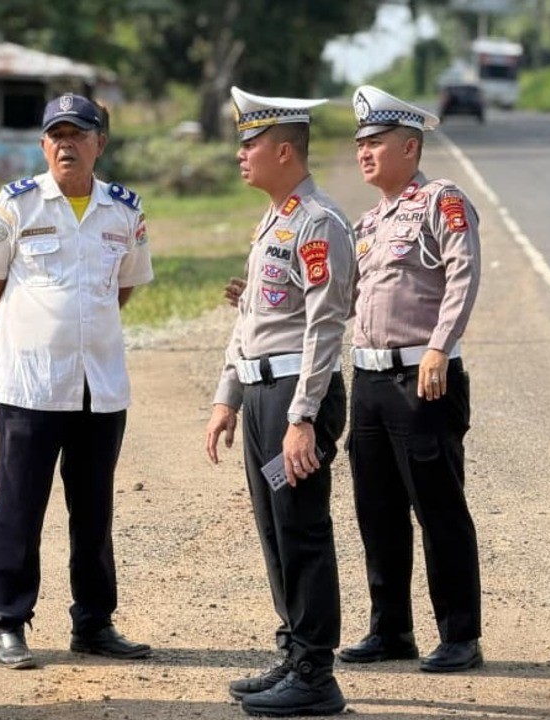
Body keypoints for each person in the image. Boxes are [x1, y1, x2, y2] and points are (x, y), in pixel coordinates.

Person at [0, 93, 154, 670]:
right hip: (31, 387)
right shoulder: (14, 206)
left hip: (99, 385)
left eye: (79, 134)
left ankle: (94, 623)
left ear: (100, 143)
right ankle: (8, 622)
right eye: (56, 135)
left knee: (93, 510)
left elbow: (122, 288)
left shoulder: (124, 210)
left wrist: (77, 331)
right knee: (19, 507)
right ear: (43, 144)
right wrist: (35, 333)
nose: (66, 144)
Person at [204, 87, 355, 717]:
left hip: (298, 400)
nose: (241, 155)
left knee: (301, 529)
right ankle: (294, 652)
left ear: (284, 149)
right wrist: (227, 398)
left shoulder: (319, 222)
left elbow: (324, 328)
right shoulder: (276, 220)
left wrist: (302, 420)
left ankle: (317, 673)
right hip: (264, 395)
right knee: (275, 529)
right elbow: (253, 320)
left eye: (251, 143)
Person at [335, 85, 484, 673]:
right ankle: (390, 630)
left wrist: (440, 349)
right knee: (377, 509)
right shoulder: (367, 223)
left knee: (439, 508)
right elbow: (345, 300)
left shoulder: (442, 202)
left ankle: (460, 636)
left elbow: (463, 273)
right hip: (369, 381)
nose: (363, 153)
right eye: (359, 144)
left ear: (410, 146)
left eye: (375, 142)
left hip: (423, 379)